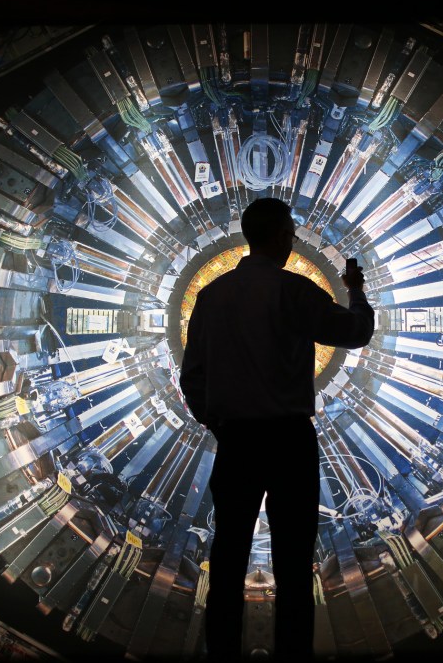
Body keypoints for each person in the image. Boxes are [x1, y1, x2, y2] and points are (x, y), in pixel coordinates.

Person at [179, 197, 375, 660]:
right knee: (292, 563)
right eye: (290, 233)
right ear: (284, 237)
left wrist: (220, 424)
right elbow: (356, 332)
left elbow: (193, 377)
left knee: (227, 560)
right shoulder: (296, 292)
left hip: (238, 441)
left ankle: (221, 653)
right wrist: (356, 290)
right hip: (290, 441)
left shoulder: (211, 296)